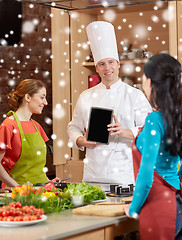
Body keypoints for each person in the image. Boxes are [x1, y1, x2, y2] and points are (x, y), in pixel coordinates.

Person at [67, 21, 152, 187]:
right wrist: (80, 141)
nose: (107, 68)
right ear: (97, 68)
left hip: (124, 176)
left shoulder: (135, 95)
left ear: (119, 65)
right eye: (102, 64)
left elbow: (149, 131)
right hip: (92, 175)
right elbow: (73, 127)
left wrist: (125, 131)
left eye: (111, 62)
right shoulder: (85, 96)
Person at [124, 53, 182, 240]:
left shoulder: (154, 120)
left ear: (149, 82)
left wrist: (133, 209)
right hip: (177, 204)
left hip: (158, 209)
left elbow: (146, 174)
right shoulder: (176, 118)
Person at [0, 79, 52, 187]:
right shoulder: (8, 126)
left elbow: (35, 166)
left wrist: (49, 181)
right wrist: (17, 188)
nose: (45, 102)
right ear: (28, 97)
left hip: (42, 188)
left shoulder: (36, 126)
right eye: (42, 97)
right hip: (19, 194)